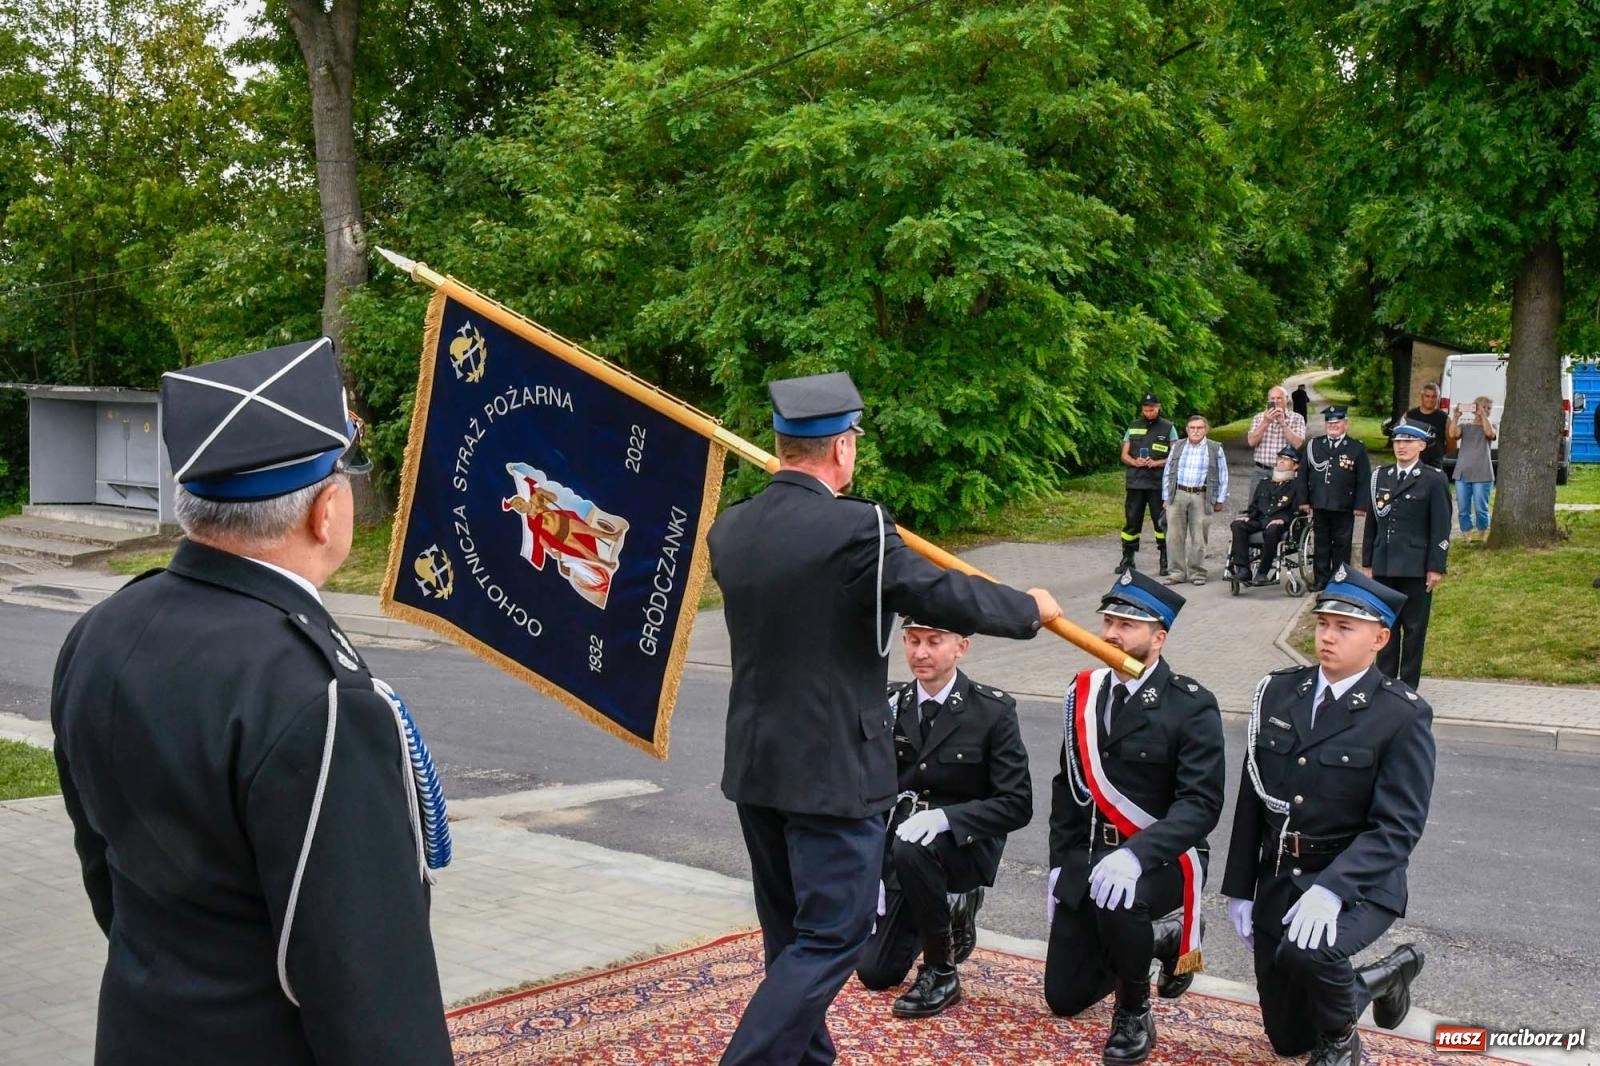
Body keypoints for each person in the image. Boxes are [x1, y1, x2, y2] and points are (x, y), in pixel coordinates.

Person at [50, 339, 454, 1066]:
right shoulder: (321, 696)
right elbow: (369, 988)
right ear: (326, 512)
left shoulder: (99, 633)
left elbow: (103, 873)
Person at [708, 371, 1062, 1066]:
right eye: (855, 442)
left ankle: (809, 1059)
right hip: (834, 770)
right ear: (842, 448)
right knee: (834, 935)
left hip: (756, 764)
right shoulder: (858, 528)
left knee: (788, 938)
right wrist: (1029, 609)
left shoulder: (732, 529)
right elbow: (941, 593)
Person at [1222, 566, 1433, 1066]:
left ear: (1380, 638)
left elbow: (1397, 828)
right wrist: (1238, 887)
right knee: (1288, 1039)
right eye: (1323, 624)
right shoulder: (1277, 691)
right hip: (1281, 876)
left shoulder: (1401, 715)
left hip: (1360, 884)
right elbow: (1253, 795)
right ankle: (1382, 977)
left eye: (1345, 627)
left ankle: (1343, 1044)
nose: (1328, 636)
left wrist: (1332, 889)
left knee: (1309, 952)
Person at [1045, 569, 1226, 1065]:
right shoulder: (1084, 692)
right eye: (1107, 621)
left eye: (1127, 625)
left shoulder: (1191, 705)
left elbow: (1201, 805)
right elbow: (1068, 787)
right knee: (1064, 998)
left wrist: (1135, 856)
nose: (1111, 634)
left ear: (1158, 637)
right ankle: (1157, 941)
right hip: (1090, 853)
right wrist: (1061, 862)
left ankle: (1133, 1009)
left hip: (1164, 857)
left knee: (1123, 903)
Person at [855, 618, 1032, 1018]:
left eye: (934, 642)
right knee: (874, 972)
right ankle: (943, 911)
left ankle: (940, 970)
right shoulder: (891, 702)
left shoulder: (992, 711)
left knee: (917, 846)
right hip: (900, 850)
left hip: (962, 847)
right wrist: (866, 869)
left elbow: (1017, 804)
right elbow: (866, 788)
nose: (921, 653)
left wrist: (946, 820)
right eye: (913, 641)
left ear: (961, 648)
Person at [1361, 418, 1450, 688]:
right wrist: (1368, 562)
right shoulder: (1382, 476)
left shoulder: (1433, 479)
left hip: (1415, 566)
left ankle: (1408, 686)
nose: (1402, 446)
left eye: (1408, 441)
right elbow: (1372, 523)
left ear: (1421, 445)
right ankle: (1385, 682)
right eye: (1398, 441)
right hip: (1385, 565)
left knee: (1413, 630)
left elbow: (1441, 527)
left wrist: (1436, 567)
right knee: (1386, 628)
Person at [1299, 406, 1371, 591]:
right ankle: (1321, 579)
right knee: (1321, 543)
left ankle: (1341, 580)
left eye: (1337, 423)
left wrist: (1360, 505)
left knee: (1342, 544)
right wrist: (1304, 500)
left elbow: (1364, 479)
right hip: (1320, 502)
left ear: (1345, 424)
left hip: (1344, 504)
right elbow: (1303, 475)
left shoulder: (1356, 447)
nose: (1333, 426)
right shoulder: (1314, 445)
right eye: (1330, 423)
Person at [1161, 414, 1229, 586]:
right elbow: (1168, 472)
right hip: (1178, 494)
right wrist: (1166, 496)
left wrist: (1219, 499)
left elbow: (1223, 475)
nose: (1196, 431)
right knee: (1174, 536)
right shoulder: (1178, 446)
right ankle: (1176, 573)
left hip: (1202, 495)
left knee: (1199, 537)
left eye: (1199, 428)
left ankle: (1197, 573)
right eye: (1192, 428)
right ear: (1187, 430)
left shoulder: (1215, 448)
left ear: (1206, 429)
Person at [1118, 392, 1178, 577]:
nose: (1149, 413)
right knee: (1132, 521)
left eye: (1152, 409)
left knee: (1160, 522)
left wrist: (1158, 462)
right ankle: (1127, 559)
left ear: (1158, 407)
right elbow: (1124, 454)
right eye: (1146, 410)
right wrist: (1134, 462)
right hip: (1136, 480)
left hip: (1157, 482)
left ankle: (1165, 559)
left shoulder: (1168, 427)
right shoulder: (1134, 426)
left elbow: (1175, 456)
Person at [1229, 446, 1307, 586]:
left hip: (1282, 523)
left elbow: (1298, 511)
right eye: (1280, 459)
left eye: (1286, 460)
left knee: (1273, 529)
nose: (1281, 462)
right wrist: (1249, 516)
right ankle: (1243, 569)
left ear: (1295, 466)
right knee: (1237, 525)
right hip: (1260, 520)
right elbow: (1254, 506)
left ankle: (1262, 572)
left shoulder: (1298, 485)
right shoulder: (1264, 482)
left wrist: (1283, 520)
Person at [1447, 395, 1497, 541]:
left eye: (1489, 408)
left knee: (1481, 508)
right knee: (1463, 508)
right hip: (1462, 473)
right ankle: (1466, 534)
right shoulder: (1466, 426)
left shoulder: (1491, 425)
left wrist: (1483, 417)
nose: (1486, 410)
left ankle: (1482, 534)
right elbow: (1452, 434)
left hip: (1483, 473)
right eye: (1483, 407)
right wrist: (1455, 417)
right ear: (1474, 408)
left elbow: (1489, 434)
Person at [1246, 386, 1308, 479]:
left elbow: (1298, 444)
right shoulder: (1258, 418)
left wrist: (1283, 424)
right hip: (1261, 471)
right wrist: (1266, 422)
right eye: (1272, 398)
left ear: (1286, 399)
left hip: (1285, 472)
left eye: (1279, 398)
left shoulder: (1297, 418)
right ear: (1268, 400)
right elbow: (1251, 442)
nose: (1276, 401)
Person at [1404, 382, 1450, 473]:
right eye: (1427, 396)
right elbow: (1401, 438)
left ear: (1438, 398)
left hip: (1435, 465)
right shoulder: (1409, 415)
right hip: (1413, 463)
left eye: (1434, 396)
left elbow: (1451, 444)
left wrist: (1439, 455)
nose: (1430, 399)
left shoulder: (1445, 418)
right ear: (1422, 397)